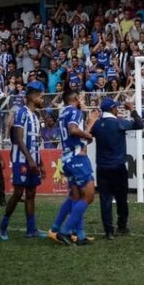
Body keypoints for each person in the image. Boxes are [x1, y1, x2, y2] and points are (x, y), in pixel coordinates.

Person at [90, 97, 144, 240]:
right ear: (113, 109)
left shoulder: (97, 125)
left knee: (105, 199)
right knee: (121, 198)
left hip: (102, 167)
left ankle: (108, 230)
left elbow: (89, 134)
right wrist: (132, 110)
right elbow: (140, 124)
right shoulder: (119, 123)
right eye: (116, 108)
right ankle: (121, 226)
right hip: (118, 167)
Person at [49, 91, 98, 245]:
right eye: (81, 97)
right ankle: (64, 232)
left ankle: (76, 234)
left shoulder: (63, 113)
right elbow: (73, 130)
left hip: (67, 158)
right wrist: (88, 135)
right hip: (77, 159)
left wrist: (89, 124)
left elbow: (75, 136)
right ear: (76, 99)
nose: (82, 99)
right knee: (89, 196)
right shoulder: (75, 112)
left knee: (75, 197)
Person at [0, 87, 47, 241]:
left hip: (33, 160)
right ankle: (3, 226)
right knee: (18, 193)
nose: (42, 100)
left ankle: (31, 229)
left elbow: (35, 142)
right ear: (33, 98)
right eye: (40, 97)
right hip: (21, 161)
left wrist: (41, 163)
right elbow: (18, 138)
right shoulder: (22, 112)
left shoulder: (35, 116)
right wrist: (30, 160)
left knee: (31, 193)